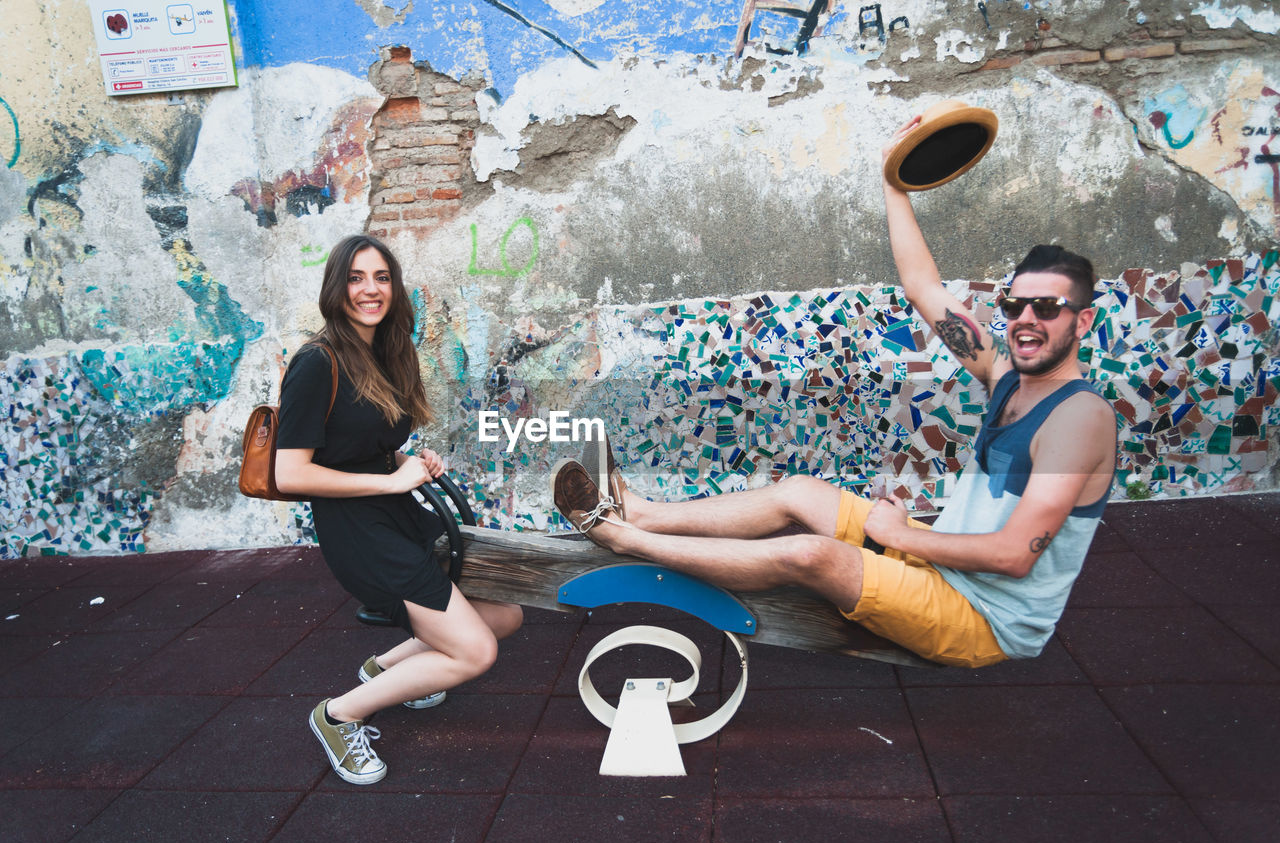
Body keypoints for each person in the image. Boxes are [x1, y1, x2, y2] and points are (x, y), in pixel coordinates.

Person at [552, 116, 1117, 668]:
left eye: (1048, 308)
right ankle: (642, 513)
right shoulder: (1004, 377)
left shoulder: (1079, 419)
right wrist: (893, 182)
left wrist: (900, 535)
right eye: (1016, 306)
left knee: (811, 554)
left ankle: (623, 538)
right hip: (947, 566)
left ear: (1082, 323)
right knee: (797, 492)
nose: (1026, 320)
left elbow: (1015, 557)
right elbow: (923, 288)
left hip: (985, 615)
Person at [276, 235, 523, 784]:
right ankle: (340, 714)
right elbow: (288, 473)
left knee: (506, 615)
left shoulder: (386, 350)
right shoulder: (317, 362)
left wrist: (409, 459)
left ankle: (382, 669)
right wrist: (390, 483)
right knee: (475, 652)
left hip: (398, 512)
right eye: (357, 278)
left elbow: (363, 442)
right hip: (359, 529)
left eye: (381, 277)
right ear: (336, 287)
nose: (370, 290)